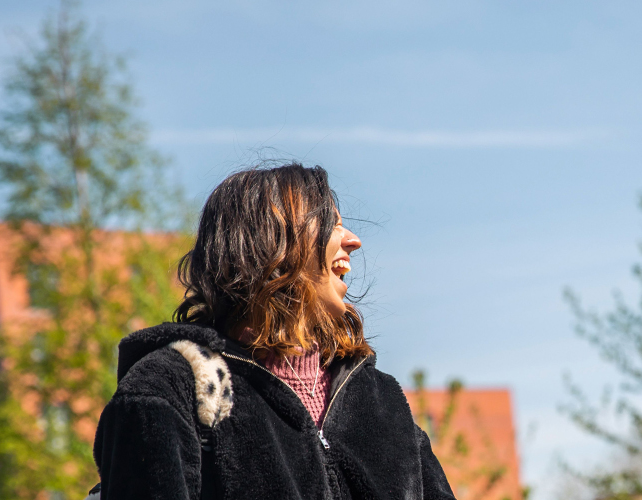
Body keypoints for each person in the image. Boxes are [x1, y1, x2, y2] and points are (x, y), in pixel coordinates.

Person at [91, 163, 456, 499]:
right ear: (271, 242)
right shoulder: (170, 388)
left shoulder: (382, 400)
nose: (353, 241)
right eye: (330, 223)